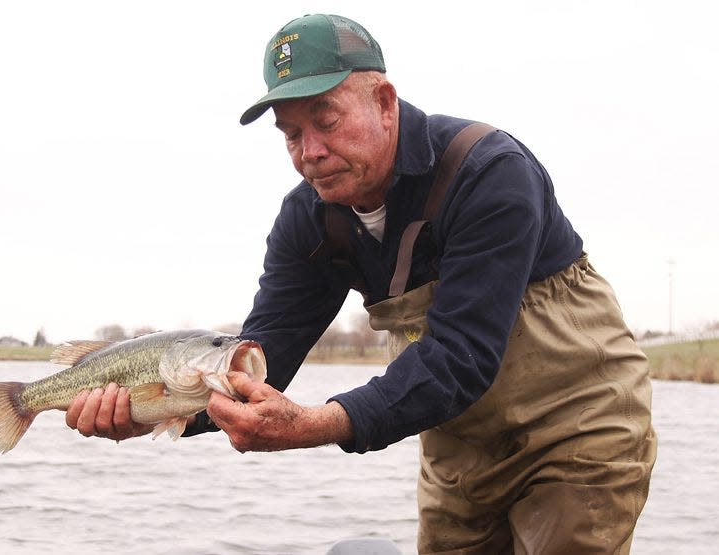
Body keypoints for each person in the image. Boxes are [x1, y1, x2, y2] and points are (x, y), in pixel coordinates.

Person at [66, 14, 656, 553]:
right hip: (461, 447)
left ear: (385, 101)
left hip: (578, 431)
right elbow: (264, 351)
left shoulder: (489, 173)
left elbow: (460, 356)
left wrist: (314, 424)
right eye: (291, 135)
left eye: (326, 120)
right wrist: (154, 410)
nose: (311, 153)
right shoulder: (308, 220)